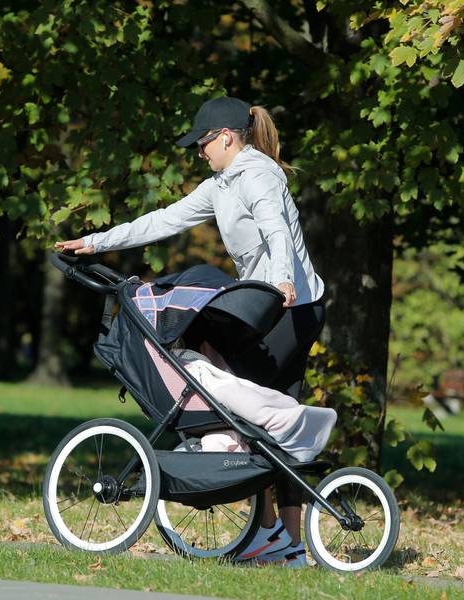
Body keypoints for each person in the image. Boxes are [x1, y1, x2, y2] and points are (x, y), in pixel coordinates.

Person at [55, 96, 326, 567]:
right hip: (274, 306)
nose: (200, 152)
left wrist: (282, 277)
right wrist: (96, 242)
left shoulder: (258, 174)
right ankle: (286, 542)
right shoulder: (221, 184)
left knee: (253, 412)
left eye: (204, 143)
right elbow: (163, 221)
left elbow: (277, 231)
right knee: (270, 416)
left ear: (226, 137)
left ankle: (275, 536)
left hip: (290, 305)